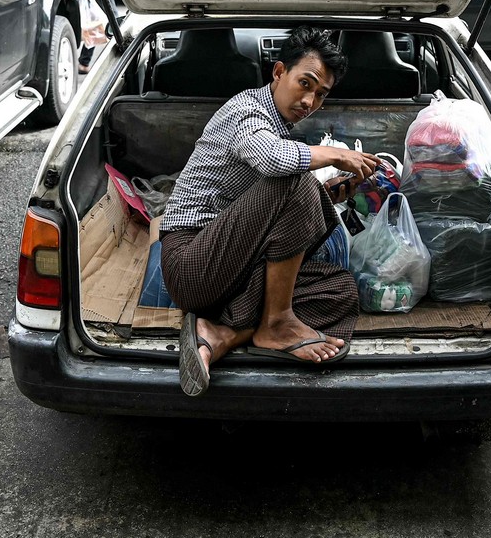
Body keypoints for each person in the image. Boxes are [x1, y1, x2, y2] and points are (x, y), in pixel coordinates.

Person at [158, 26, 382, 396]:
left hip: (231, 267)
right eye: (305, 83)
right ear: (279, 72)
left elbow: (272, 201)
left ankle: (226, 333)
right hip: (193, 265)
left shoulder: (280, 129)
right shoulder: (245, 111)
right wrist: (338, 154)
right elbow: (274, 160)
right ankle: (276, 322)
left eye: (321, 94)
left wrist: (332, 194)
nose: (310, 101)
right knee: (296, 178)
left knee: (341, 289)